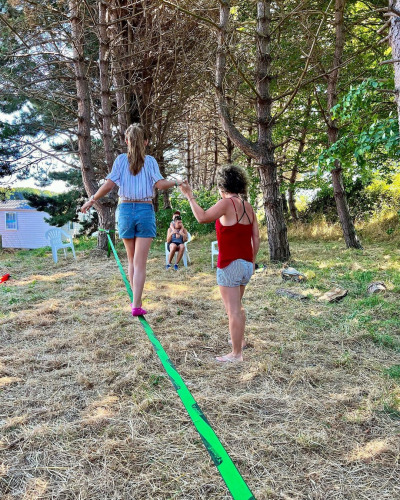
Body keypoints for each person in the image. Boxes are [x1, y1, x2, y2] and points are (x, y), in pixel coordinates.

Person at [81, 123, 181, 316]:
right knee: (140, 262)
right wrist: (177, 181)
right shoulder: (150, 161)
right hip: (144, 209)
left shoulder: (120, 160)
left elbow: (109, 185)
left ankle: (135, 302)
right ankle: (136, 304)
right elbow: (160, 184)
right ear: (145, 142)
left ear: (127, 141)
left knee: (131, 260)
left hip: (125, 209)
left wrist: (91, 199)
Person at [180, 165, 260, 362]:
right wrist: (251, 260)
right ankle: (239, 342)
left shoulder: (226, 203)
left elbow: (202, 217)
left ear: (222, 186)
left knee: (232, 310)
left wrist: (190, 196)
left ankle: (236, 354)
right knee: (238, 307)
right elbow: (256, 238)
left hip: (229, 264)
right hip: (247, 264)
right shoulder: (248, 206)